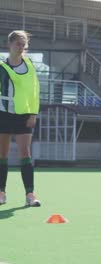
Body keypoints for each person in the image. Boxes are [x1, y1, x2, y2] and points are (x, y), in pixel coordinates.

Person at [0, 30, 41, 207]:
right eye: (18, 44)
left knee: (25, 154)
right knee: (2, 155)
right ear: (9, 44)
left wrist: (33, 114)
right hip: (3, 114)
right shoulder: (1, 66)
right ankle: (1, 193)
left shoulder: (29, 65)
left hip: (24, 116)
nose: (21, 48)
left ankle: (30, 194)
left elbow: (34, 92)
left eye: (23, 45)